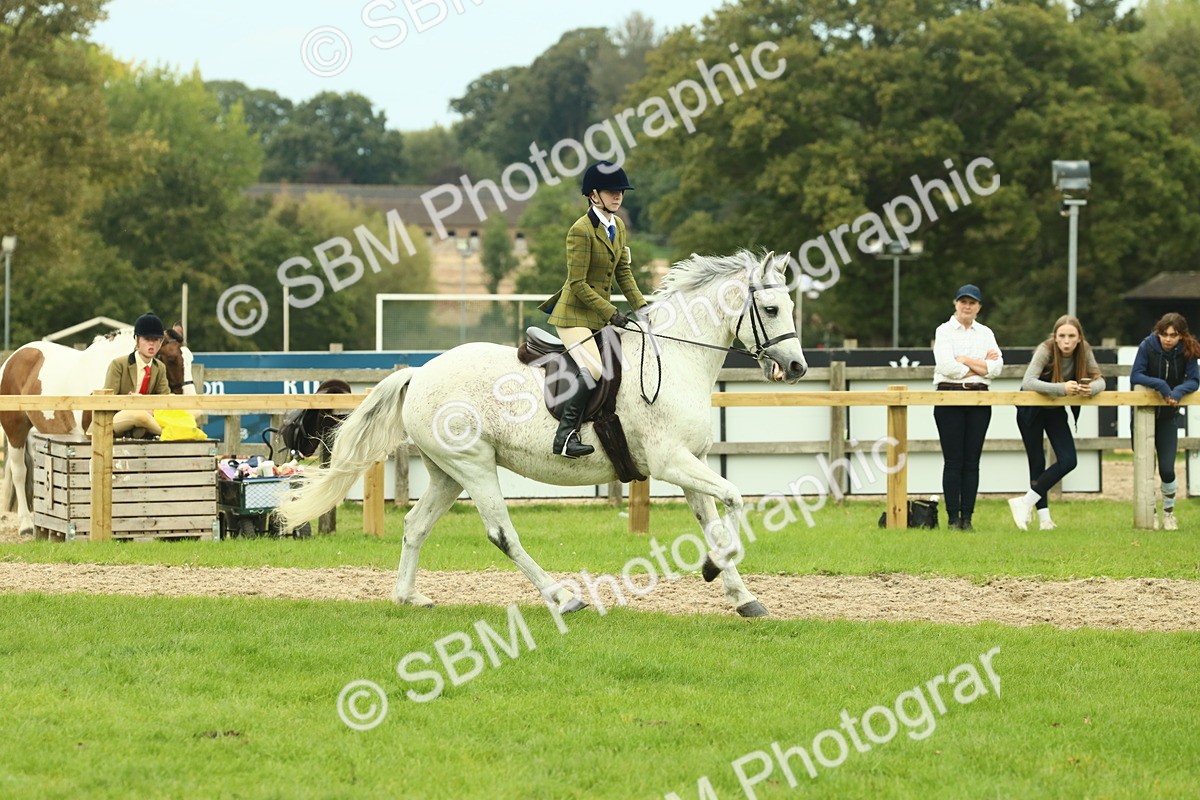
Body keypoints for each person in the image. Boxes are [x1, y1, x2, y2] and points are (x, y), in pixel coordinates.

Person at [538, 161, 648, 458]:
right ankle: (564, 436)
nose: (618, 196)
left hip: (598, 317)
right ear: (593, 195)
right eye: (612, 192)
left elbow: (623, 273)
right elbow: (577, 283)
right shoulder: (580, 231)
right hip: (574, 315)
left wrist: (644, 308)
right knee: (595, 368)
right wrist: (611, 313)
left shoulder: (619, 226)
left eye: (620, 192)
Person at [1007, 315, 1106, 531]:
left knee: (1069, 460)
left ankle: (1024, 503)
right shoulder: (1045, 349)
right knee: (1037, 462)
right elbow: (1028, 381)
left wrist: (1091, 389)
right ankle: (1045, 520)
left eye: (1071, 336)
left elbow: (1101, 380)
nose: (1066, 341)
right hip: (1030, 409)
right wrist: (1062, 388)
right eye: (1062, 336)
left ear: (1079, 338)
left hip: (1054, 410)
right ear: (1055, 337)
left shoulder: (1085, 350)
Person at [932, 284, 1002, 530]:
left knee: (972, 461)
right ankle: (952, 518)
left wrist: (966, 361)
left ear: (979, 307)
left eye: (972, 302)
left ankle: (967, 518)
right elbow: (945, 366)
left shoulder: (985, 333)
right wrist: (979, 368)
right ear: (956, 303)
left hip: (979, 399)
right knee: (953, 461)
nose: (967, 306)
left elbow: (996, 368)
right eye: (963, 301)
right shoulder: (944, 331)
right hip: (949, 397)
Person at [1129, 312, 1200, 530]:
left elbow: (1195, 380)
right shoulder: (1147, 346)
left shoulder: (1188, 351)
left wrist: (1178, 392)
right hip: (1144, 416)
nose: (1168, 339)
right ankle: (1150, 513)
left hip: (1169, 416)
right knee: (1145, 468)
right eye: (1164, 334)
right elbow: (1136, 375)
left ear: (1181, 336)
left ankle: (1169, 513)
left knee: (1167, 468)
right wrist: (1162, 386)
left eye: (1173, 335)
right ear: (1158, 332)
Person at [103, 312, 171, 438]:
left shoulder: (160, 367)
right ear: (136, 340)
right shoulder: (118, 364)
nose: (151, 344)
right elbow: (107, 402)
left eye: (155, 340)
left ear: (161, 342)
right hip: (116, 418)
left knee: (194, 412)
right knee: (138, 415)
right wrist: (133, 403)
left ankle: (171, 431)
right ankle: (171, 433)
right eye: (147, 339)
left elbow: (165, 400)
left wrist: (144, 404)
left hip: (148, 419)